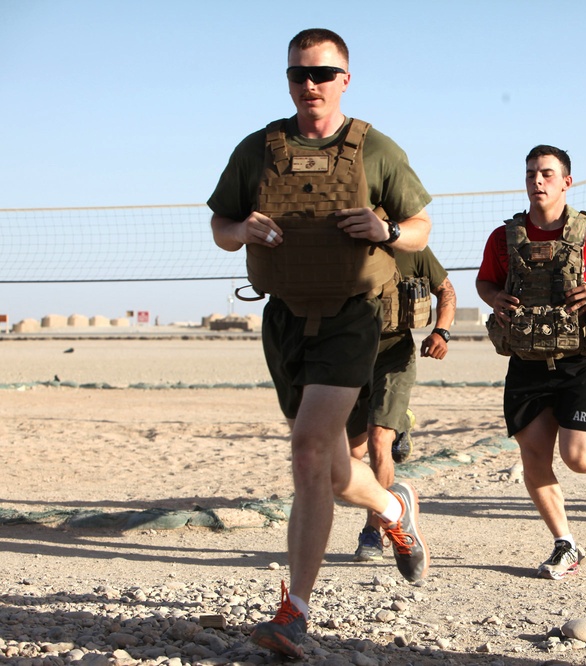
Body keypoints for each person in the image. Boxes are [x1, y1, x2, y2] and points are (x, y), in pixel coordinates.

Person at [207, 28, 431, 659]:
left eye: (323, 74)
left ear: (345, 79)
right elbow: (220, 226)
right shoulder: (259, 149)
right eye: (298, 74)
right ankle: (393, 508)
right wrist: (240, 228)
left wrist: (386, 227)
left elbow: (420, 227)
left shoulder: (375, 149)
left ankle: (293, 611)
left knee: (307, 452)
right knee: (331, 473)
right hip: (283, 319)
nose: (310, 85)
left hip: (350, 318)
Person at [476, 145, 586, 580]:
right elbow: (485, 281)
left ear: (567, 182)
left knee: (576, 455)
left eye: (547, 174)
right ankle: (565, 543)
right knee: (533, 455)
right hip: (528, 361)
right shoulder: (504, 238)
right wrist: (496, 300)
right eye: (531, 173)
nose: (537, 181)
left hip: (581, 361)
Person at [348, 247, 456, 561]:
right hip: (349, 355)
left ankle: (374, 529)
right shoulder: (339, 243)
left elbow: (445, 290)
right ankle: (402, 419)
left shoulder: (412, 247)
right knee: (352, 455)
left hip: (394, 353)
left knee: (379, 440)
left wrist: (442, 331)